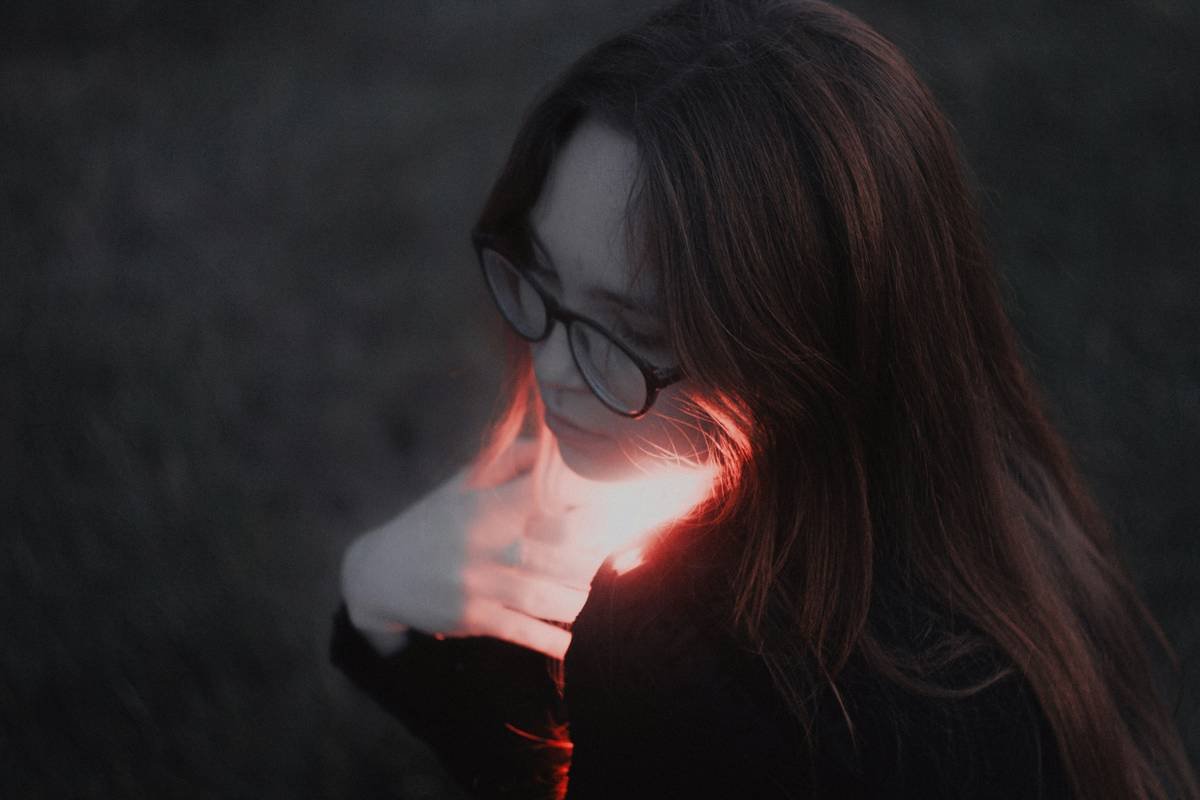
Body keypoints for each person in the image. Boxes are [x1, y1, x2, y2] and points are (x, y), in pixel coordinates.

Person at [331, 1, 1198, 797]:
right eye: (544, 278)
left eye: (632, 330)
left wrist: (381, 607)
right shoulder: (988, 500)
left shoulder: (682, 662)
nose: (554, 364)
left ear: (793, 352)